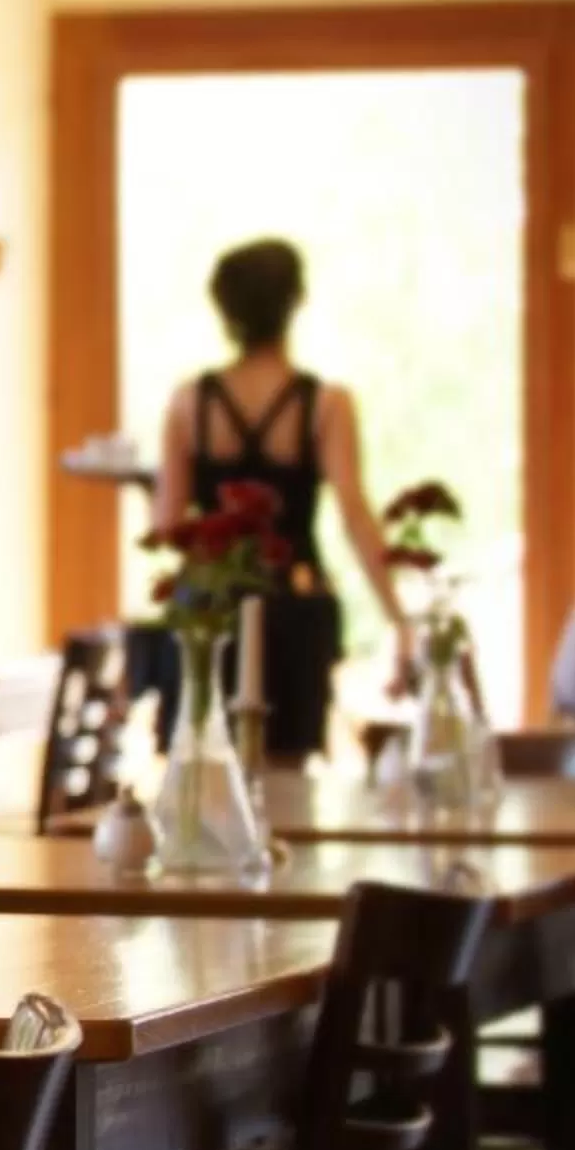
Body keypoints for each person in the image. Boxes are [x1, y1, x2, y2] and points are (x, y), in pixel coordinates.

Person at [151, 237, 405, 763]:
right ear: (295, 303)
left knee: (202, 763)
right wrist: (398, 617)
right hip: (294, 606)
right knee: (289, 770)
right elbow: (354, 513)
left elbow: (166, 526)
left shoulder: (188, 403)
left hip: (211, 608)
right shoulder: (326, 404)